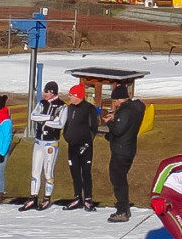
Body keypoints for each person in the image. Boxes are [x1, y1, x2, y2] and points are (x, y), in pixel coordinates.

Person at [19, 81, 66, 211]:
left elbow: (60, 123)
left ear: (52, 92)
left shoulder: (62, 106)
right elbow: (33, 116)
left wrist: (45, 121)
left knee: (48, 170)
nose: (44, 94)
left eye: (46, 91)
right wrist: (49, 118)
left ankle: (47, 197)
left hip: (51, 142)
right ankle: (33, 196)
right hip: (39, 141)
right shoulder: (41, 103)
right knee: (35, 170)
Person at [103, 84, 146, 223]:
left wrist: (109, 122)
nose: (115, 104)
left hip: (121, 150)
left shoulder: (125, 111)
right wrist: (116, 117)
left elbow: (118, 130)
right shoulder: (135, 108)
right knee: (120, 178)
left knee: (118, 179)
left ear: (119, 99)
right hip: (129, 147)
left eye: (115, 101)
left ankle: (122, 211)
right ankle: (124, 208)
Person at [61, 84, 99, 212]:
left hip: (85, 146)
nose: (69, 97)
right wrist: (66, 136)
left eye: (71, 95)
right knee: (75, 172)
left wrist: (87, 143)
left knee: (85, 173)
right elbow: (67, 124)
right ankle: (77, 197)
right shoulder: (70, 108)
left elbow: (94, 128)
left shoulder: (89, 108)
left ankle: (88, 199)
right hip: (72, 145)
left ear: (78, 96)